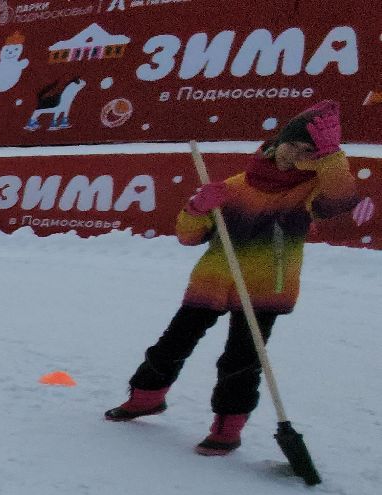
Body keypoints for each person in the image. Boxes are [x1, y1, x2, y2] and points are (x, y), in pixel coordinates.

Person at [105, 101, 357, 455]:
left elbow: (341, 200)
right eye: (296, 145)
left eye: (311, 152)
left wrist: (332, 159)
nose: (300, 155)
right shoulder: (235, 186)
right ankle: (146, 398)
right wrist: (196, 209)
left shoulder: (311, 191)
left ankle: (227, 428)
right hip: (211, 281)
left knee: (240, 360)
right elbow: (188, 236)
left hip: (267, 287)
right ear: (280, 140)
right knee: (174, 343)